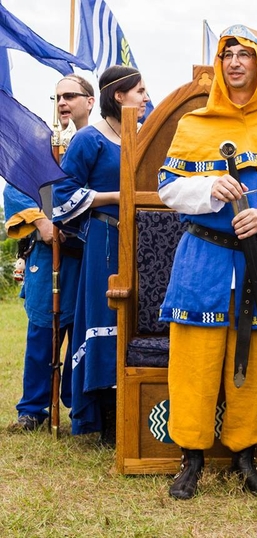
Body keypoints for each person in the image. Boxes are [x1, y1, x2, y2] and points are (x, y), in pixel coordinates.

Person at [157, 24, 257, 500]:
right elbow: (168, 188)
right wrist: (209, 189)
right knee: (195, 361)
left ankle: (247, 457)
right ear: (219, 65)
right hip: (203, 257)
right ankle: (191, 459)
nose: (236, 62)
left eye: (246, 55)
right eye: (228, 54)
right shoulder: (194, 126)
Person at [52, 65, 150, 445]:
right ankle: (107, 419)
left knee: (141, 320)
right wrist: (115, 197)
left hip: (145, 245)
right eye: (139, 91)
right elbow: (62, 196)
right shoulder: (88, 140)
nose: (145, 97)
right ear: (119, 95)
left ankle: (139, 408)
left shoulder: (146, 138)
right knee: (107, 317)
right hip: (105, 240)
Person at [3, 75, 95, 432]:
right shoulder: (39, 145)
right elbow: (16, 188)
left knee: (83, 333)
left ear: (90, 101)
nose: (62, 103)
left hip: (87, 251)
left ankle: (81, 408)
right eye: (57, 97)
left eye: (70, 95)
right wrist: (40, 223)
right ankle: (33, 409)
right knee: (43, 330)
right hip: (48, 253)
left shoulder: (101, 141)